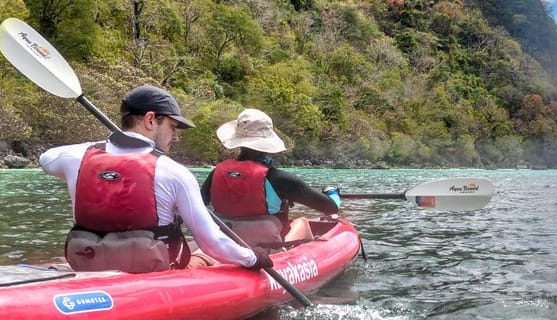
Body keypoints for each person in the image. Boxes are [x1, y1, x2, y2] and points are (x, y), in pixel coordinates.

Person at [38, 85, 272, 273]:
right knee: (204, 254)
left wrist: (101, 145)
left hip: (89, 266)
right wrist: (252, 258)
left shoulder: (76, 158)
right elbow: (212, 243)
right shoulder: (174, 172)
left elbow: (46, 158)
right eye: (173, 126)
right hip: (155, 275)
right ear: (151, 120)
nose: (176, 137)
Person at [201, 108, 342, 249]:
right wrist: (332, 193)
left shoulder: (216, 173)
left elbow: (199, 207)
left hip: (223, 242)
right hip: (265, 247)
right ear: (268, 144)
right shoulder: (281, 180)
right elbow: (331, 208)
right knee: (303, 223)